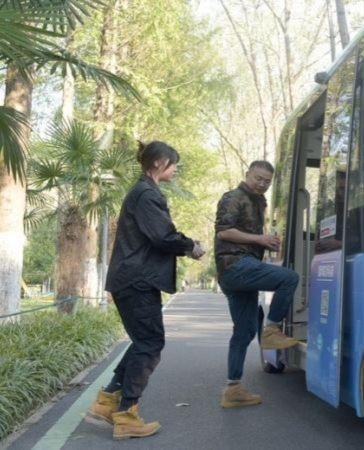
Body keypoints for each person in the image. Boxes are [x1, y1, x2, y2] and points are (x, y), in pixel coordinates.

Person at [87, 141, 204, 440]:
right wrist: (191, 246)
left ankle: (109, 400)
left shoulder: (143, 192)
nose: (176, 169)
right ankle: (127, 415)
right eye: (173, 164)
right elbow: (163, 237)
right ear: (158, 163)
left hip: (132, 279)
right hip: (137, 280)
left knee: (144, 341)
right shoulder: (147, 195)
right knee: (150, 343)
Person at [214, 160, 299, 408]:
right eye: (258, 178)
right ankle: (272, 330)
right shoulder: (233, 197)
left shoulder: (257, 201)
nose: (261, 183)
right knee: (289, 277)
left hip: (242, 269)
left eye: (266, 181)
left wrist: (266, 243)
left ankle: (233, 389)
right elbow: (224, 232)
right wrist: (261, 239)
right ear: (247, 174)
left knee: (244, 332)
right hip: (236, 266)